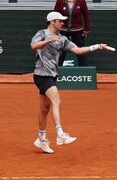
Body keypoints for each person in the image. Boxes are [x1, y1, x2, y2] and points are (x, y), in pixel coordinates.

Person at [31, 11, 108, 153]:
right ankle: (60, 135)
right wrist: (47, 41)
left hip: (52, 75)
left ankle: (41, 139)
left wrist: (96, 46)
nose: (62, 23)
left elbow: (78, 51)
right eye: (60, 21)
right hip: (41, 75)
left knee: (44, 108)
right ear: (52, 22)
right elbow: (33, 46)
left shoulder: (62, 39)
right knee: (56, 101)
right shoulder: (41, 33)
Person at [54, 0, 90, 66]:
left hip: (78, 30)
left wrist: (86, 29)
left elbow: (86, 15)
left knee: (81, 52)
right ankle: (56, 74)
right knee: (61, 52)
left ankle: (83, 72)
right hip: (63, 30)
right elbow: (55, 15)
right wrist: (55, 30)